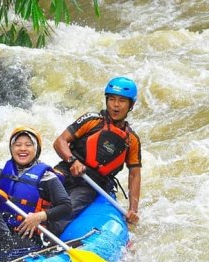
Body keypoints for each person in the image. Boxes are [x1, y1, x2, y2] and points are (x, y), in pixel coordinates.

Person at [52, 76, 142, 230]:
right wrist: (72, 160)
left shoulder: (131, 140)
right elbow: (60, 141)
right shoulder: (92, 120)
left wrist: (133, 209)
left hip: (91, 184)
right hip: (67, 169)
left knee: (66, 209)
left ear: (130, 105)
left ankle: (42, 238)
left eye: (122, 100)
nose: (115, 105)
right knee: (38, 186)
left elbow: (134, 174)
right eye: (112, 99)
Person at [0, 126, 72, 238]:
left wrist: (39, 217)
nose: (22, 148)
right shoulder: (1, 174)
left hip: (30, 236)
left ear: (36, 149)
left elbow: (66, 207)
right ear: (11, 149)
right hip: (2, 233)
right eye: (17, 145)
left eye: (28, 145)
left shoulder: (47, 178)